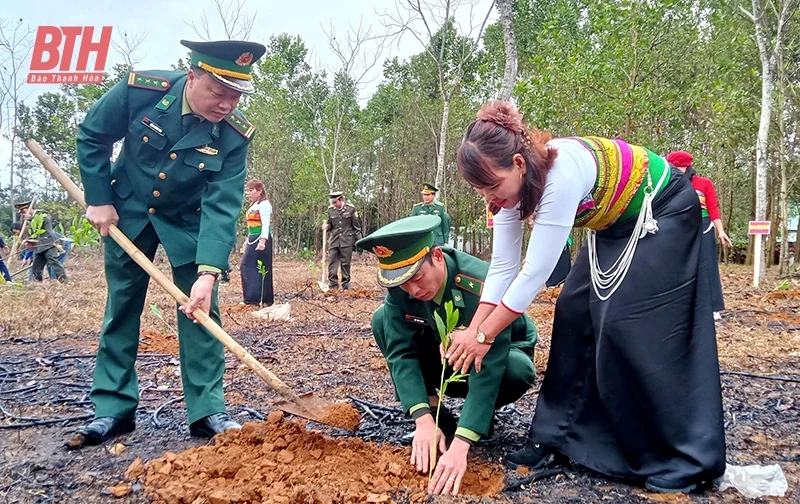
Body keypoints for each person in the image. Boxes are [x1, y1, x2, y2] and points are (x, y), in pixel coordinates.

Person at [447, 101, 725, 493]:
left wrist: (483, 337)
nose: (489, 199)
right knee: (574, 310)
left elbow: (534, 273)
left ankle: (684, 456)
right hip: (613, 225)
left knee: (627, 324)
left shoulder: (558, 175)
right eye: (480, 191)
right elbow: (502, 268)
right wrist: (473, 331)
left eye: (492, 186)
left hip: (662, 210)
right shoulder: (507, 195)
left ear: (519, 164)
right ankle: (558, 437)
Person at [71, 39, 266, 448]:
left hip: (187, 223)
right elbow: (92, 136)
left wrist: (209, 272)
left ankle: (207, 411)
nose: (227, 104)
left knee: (201, 310)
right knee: (122, 306)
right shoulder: (142, 90)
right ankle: (113, 408)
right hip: (128, 212)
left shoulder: (233, 135)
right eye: (218, 92)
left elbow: (223, 202)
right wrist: (99, 199)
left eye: (235, 95)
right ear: (192, 76)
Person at [357, 215, 537, 496]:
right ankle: (439, 416)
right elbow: (401, 353)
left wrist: (461, 444)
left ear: (438, 257)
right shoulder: (402, 289)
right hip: (445, 352)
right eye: (403, 284)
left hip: (499, 352)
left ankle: (476, 420)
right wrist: (423, 419)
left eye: (417, 277)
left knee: (517, 369)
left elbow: (489, 366)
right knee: (382, 319)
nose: (413, 291)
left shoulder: (480, 283)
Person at [666, 151, 732, 319]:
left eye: (679, 168)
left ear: (686, 167)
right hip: (679, 229)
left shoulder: (704, 183)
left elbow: (713, 208)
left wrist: (721, 231)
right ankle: (680, 306)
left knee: (708, 266)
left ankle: (713, 307)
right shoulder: (668, 185)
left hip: (703, 227)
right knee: (679, 267)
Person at [15, 202, 68, 282]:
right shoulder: (26, 221)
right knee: (36, 267)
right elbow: (33, 234)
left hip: (49, 243)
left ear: (30, 208)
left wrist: (31, 218)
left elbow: (45, 221)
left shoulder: (41, 213)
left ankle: (64, 281)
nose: (23, 214)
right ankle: (38, 284)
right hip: (39, 246)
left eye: (24, 211)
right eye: (21, 213)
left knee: (53, 262)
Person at [241, 179, 274, 305]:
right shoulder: (254, 206)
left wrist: (263, 241)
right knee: (247, 266)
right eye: (248, 190)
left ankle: (256, 298)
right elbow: (252, 226)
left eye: (251, 190)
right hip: (253, 238)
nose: (249, 193)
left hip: (261, 239)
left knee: (253, 266)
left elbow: (265, 225)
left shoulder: (265, 205)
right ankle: (252, 297)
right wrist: (247, 240)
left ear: (259, 191)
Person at [323, 190, 362, 289]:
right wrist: (326, 227)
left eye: (335, 202)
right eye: (332, 203)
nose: (334, 204)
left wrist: (360, 242)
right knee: (332, 263)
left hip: (346, 241)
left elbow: (356, 227)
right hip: (334, 241)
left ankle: (346, 283)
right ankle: (333, 284)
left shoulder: (351, 209)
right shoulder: (330, 210)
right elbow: (330, 226)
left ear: (340, 200)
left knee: (345, 263)